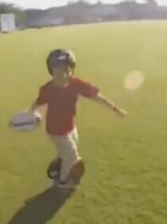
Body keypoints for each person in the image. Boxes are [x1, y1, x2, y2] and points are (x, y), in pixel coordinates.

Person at [29, 49, 127, 189]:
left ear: (72, 70)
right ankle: (62, 182)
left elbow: (96, 97)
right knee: (71, 155)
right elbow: (38, 102)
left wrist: (115, 109)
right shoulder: (47, 89)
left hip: (71, 127)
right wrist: (30, 114)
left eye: (67, 69)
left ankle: (59, 162)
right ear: (51, 71)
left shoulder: (77, 84)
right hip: (56, 131)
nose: (63, 73)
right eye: (59, 70)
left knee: (69, 152)